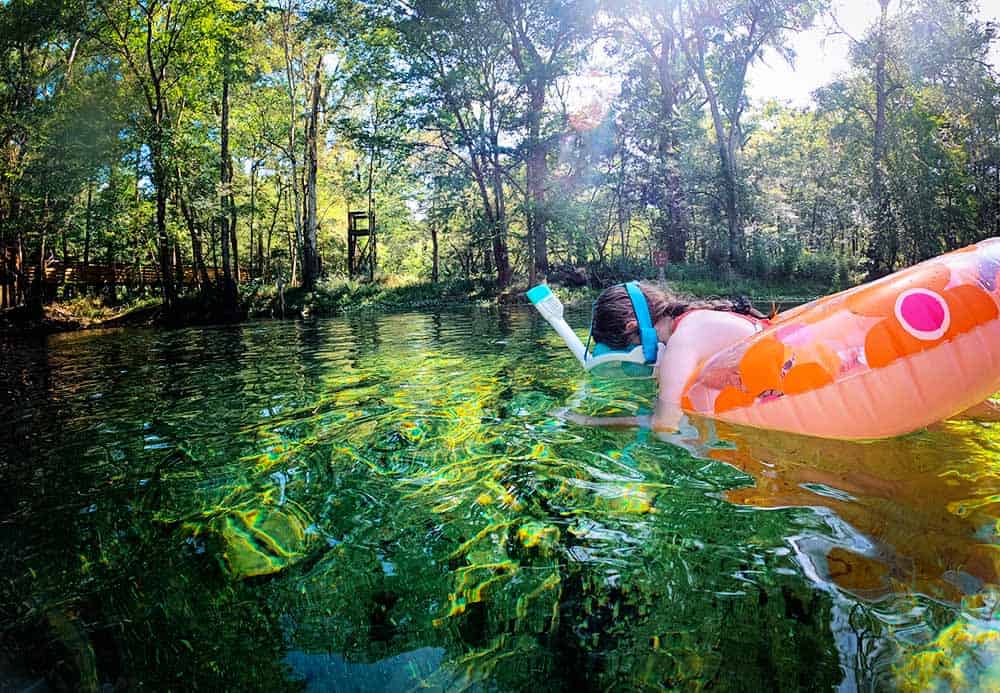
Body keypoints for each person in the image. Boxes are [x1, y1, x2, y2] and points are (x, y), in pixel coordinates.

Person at [576, 282, 770, 431]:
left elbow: (666, 424)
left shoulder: (681, 342)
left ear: (632, 327)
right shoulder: (692, 318)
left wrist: (591, 421)